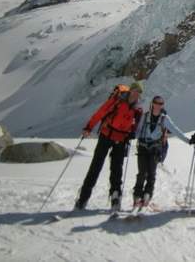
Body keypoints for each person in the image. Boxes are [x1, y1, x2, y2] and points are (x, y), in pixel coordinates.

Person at [75, 82, 144, 211]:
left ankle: (115, 197)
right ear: (130, 91)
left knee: (117, 170)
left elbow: (136, 126)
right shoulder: (117, 101)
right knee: (96, 166)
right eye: (135, 91)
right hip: (106, 135)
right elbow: (101, 113)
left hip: (121, 139)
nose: (136, 95)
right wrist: (89, 127)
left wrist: (132, 133)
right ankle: (83, 198)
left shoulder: (138, 109)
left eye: (139, 93)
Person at [132, 95, 189, 208]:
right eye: (156, 103)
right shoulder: (145, 116)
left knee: (151, 173)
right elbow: (138, 130)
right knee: (141, 173)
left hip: (155, 149)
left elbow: (175, 130)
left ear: (162, 105)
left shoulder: (164, 118)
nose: (158, 105)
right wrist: (129, 136)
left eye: (160, 103)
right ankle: (138, 195)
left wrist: (189, 140)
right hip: (143, 147)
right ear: (152, 103)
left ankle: (147, 194)